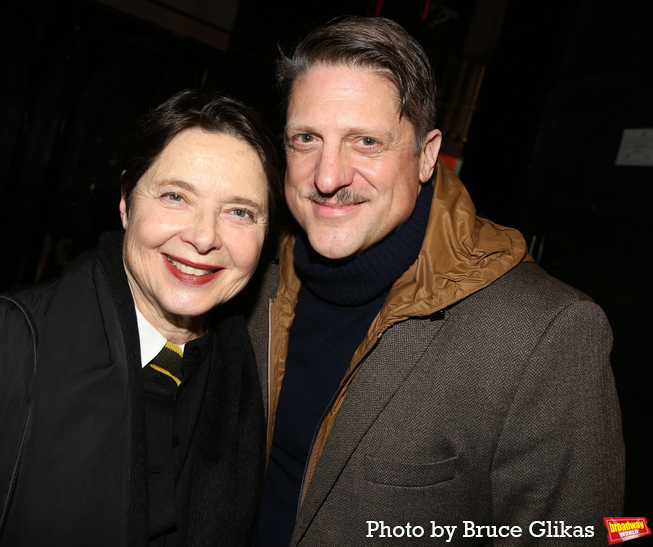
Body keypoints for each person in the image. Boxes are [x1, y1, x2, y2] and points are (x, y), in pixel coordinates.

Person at [248, 16, 625, 546]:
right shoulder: (251, 282)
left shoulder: (544, 333)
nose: (328, 176)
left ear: (426, 155)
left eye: (367, 142)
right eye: (306, 138)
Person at [0, 90, 280, 546]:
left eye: (240, 211)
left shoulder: (257, 374)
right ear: (126, 201)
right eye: (175, 196)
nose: (204, 237)